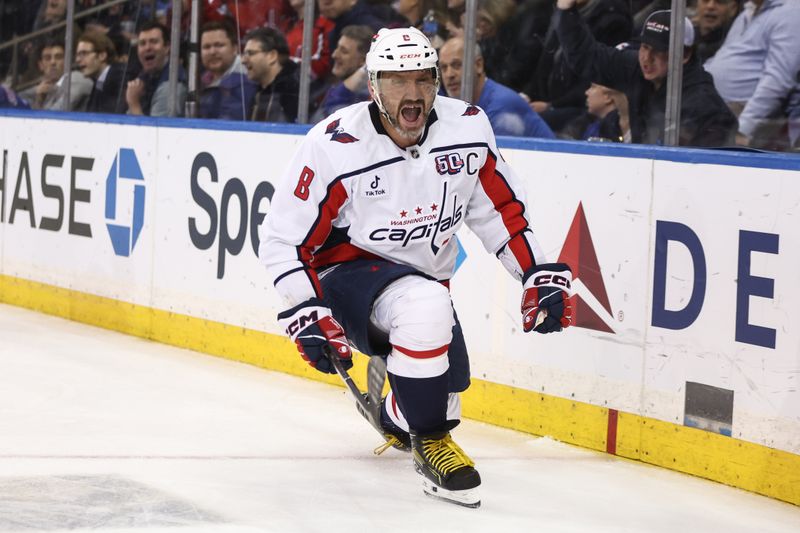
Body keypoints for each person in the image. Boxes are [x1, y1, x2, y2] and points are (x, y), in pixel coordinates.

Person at [258, 27, 573, 507]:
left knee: (437, 383)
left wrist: (535, 272)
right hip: (347, 278)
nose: (413, 94)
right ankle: (433, 444)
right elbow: (283, 237)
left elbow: (501, 214)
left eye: (424, 80)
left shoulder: (467, 127)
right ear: (373, 87)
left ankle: (399, 413)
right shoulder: (335, 143)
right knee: (427, 315)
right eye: (397, 81)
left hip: (425, 282)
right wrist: (306, 309)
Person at [555, 4, 737, 147]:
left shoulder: (705, 104)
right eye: (645, 47)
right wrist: (566, 10)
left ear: (684, 55)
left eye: (658, 51)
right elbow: (587, 57)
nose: (647, 59)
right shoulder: (636, 67)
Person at [703, 0, 800, 150]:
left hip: (750, 122)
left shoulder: (791, 12)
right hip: (718, 112)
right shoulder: (748, 11)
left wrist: (743, 128)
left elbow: (778, 80)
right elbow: (721, 58)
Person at [438, 36, 555, 138]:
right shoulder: (454, 105)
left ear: (478, 65)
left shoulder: (501, 105)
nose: (449, 75)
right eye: (444, 68)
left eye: (457, 65)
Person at [198, 20, 257, 120]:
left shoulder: (243, 78)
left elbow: (229, 126)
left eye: (219, 45)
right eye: (206, 47)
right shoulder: (203, 78)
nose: (212, 52)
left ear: (235, 48)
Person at [125, 22, 187, 117]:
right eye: (142, 43)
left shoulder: (172, 86)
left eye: (154, 42)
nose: (147, 48)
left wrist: (133, 103)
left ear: (167, 47)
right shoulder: (144, 77)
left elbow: (155, 131)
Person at [313, 24, 373, 120]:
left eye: (344, 51)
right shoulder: (332, 84)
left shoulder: (363, 95)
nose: (334, 55)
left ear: (363, 61)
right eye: (337, 48)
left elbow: (332, 115)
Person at [242, 27, 300, 123]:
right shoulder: (257, 93)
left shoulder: (294, 94)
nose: (243, 60)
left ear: (272, 56)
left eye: (250, 53)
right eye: (244, 54)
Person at [20, 38, 93, 111]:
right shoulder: (43, 89)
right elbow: (17, 98)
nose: (53, 62)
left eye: (58, 57)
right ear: (41, 65)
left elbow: (56, 114)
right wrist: (39, 100)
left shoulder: (76, 78)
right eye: (48, 58)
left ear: (67, 61)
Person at [77, 30, 130, 114]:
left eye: (84, 53)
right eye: (78, 55)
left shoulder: (120, 76)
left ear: (102, 55)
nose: (78, 60)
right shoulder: (98, 82)